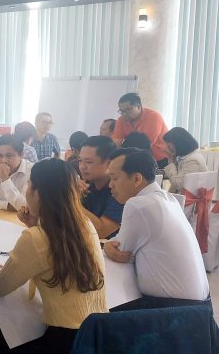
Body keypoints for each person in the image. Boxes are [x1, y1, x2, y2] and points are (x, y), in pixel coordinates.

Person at [0, 159, 107, 353]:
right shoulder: (85, 224)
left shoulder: (36, 238)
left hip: (62, 341)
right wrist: (35, 224)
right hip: (96, 334)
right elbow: (59, 251)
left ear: (37, 193)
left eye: (29, 186)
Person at [105, 148, 209, 310]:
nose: (110, 185)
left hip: (171, 310)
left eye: (114, 178)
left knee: (99, 315)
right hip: (198, 306)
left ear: (137, 179)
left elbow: (122, 252)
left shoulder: (139, 204)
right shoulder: (169, 199)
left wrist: (107, 246)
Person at [79, 136, 124, 239]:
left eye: (88, 162)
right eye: (80, 160)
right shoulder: (87, 186)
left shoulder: (121, 190)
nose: (82, 167)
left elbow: (101, 232)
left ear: (109, 163)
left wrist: (70, 201)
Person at [112, 93, 169, 168]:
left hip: (160, 159)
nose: (124, 114)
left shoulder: (153, 117)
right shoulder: (121, 120)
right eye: (121, 111)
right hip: (136, 158)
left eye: (127, 110)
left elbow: (144, 145)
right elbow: (116, 143)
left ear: (138, 107)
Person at [162, 127, 208, 193]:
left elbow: (177, 185)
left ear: (177, 144)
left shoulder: (192, 160)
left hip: (190, 197)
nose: (164, 149)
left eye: (169, 146)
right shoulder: (187, 156)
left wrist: (170, 158)